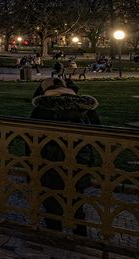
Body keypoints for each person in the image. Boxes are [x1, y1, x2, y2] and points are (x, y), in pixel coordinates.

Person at [30, 83, 101, 236]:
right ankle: (80, 234)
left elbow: (31, 139)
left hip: (49, 163)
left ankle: (55, 236)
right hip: (79, 161)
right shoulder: (85, 108)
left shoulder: (42, 109)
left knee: (51, 202)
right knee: (77, 202)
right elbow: (98, 135)